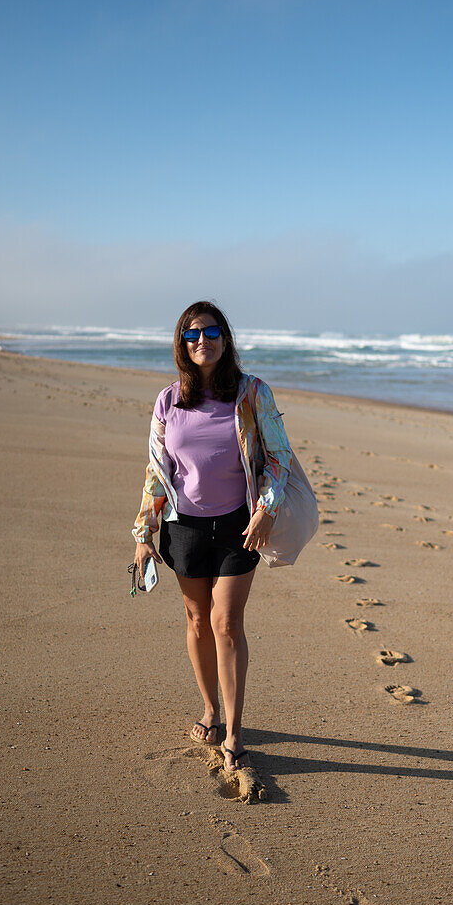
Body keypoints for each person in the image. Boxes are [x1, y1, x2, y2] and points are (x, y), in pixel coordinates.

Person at [132, 300, 293, 772]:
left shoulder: (252, 393)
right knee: (198, 620)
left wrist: (265, 510)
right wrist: (145, 531)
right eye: (191, 333)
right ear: (182, 344)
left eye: (211, 331)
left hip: (239, 526)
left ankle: (235, 729)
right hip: (184, 528)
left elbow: (279, 458)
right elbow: (157, 472)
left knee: (227, 623)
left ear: (226, 339)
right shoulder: (168, 400)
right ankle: (210, 708)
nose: (202, 340)